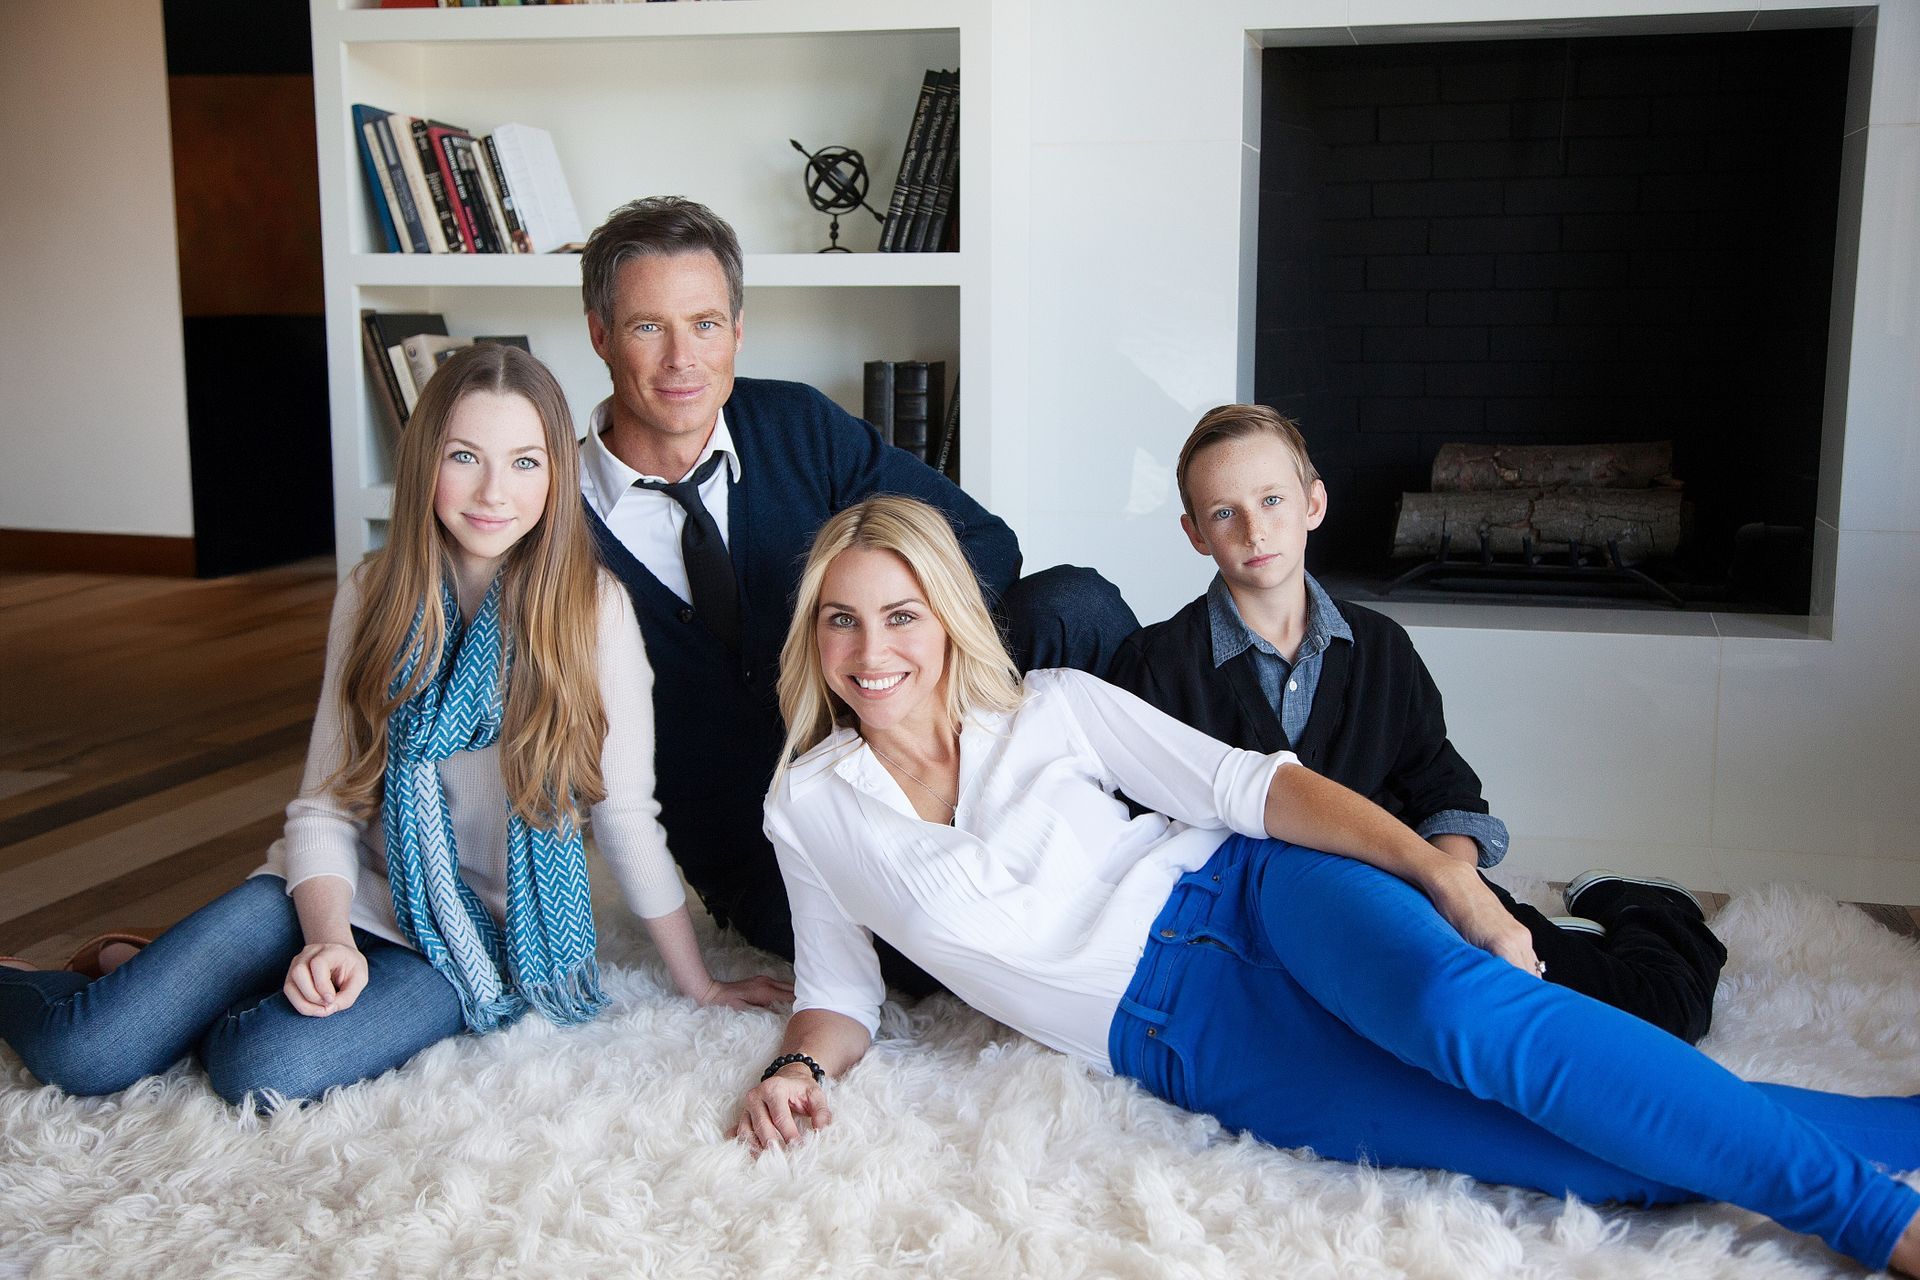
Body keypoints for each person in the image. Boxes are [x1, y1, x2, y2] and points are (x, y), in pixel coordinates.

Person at [731, 494, 1920, 1277]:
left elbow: (1256, 787)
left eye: (900, 612)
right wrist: (796, 1064)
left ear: (946, 620)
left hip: (1255, 893)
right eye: (840, 619)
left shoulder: (1053, 705)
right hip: (1186, 1037)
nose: (870, 648)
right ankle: (1891, 1133)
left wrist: (1454, 887)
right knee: (1592, 1160)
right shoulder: (811, 804)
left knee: (1468, 1018)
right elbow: (840, 988)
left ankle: (1882, 1222)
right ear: (813, 635)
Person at [0, 344, 788, 1108]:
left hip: (467, 935)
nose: (493, 492)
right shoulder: (375, 593)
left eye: (524, 461)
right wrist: (325, 937)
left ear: (557, 474)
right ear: (424, 464)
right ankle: (90, 979)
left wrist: (701, 982)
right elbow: (324, 805)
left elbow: (624, 814)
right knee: (89, 1051)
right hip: (333, 887)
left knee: (260, 1066)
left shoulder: (594, 610)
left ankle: (147, 970)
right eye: (463, 456)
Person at [575, 195, 1137, 974]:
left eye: (705, 324)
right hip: (762, 843)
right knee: (938, 948)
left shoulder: (797, 424)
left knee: (1077, 605)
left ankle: (1136, 844)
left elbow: (982, 542)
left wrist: (884, 670)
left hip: (911, 751)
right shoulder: (553, 522)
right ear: (600, 333)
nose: (683, 359)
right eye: (648, 327)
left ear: (738, 330)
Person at [1105, 404, 1726, 1042]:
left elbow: (1443, 790)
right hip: (1249, 927)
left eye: (1271, 500)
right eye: (1225, 513)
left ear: (1314, 503)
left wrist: (1453, 891)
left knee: (1653, 1017)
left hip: (1403, 896)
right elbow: (1140, 833)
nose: (1254, 531)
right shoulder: (1156, 666)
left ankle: (1641, 904)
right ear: (1195, 533)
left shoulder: (1381, 648)